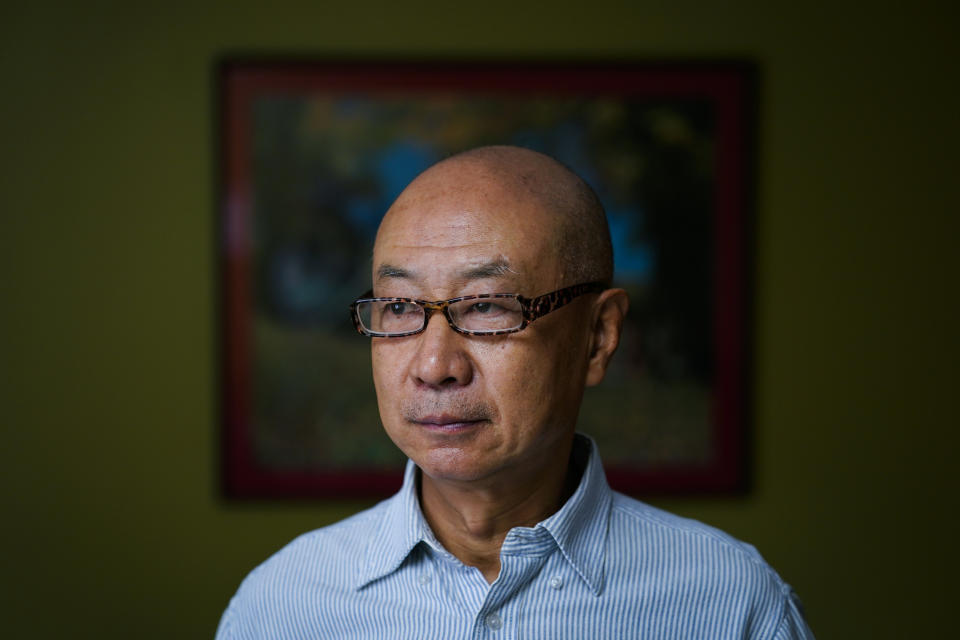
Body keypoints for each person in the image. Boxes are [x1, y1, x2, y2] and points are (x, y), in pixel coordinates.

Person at [215, 146, 814, 639]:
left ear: (598, 339)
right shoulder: (282, 605)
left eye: (488, 307)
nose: (434, 365)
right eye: (398, 307)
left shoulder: (730, 604)